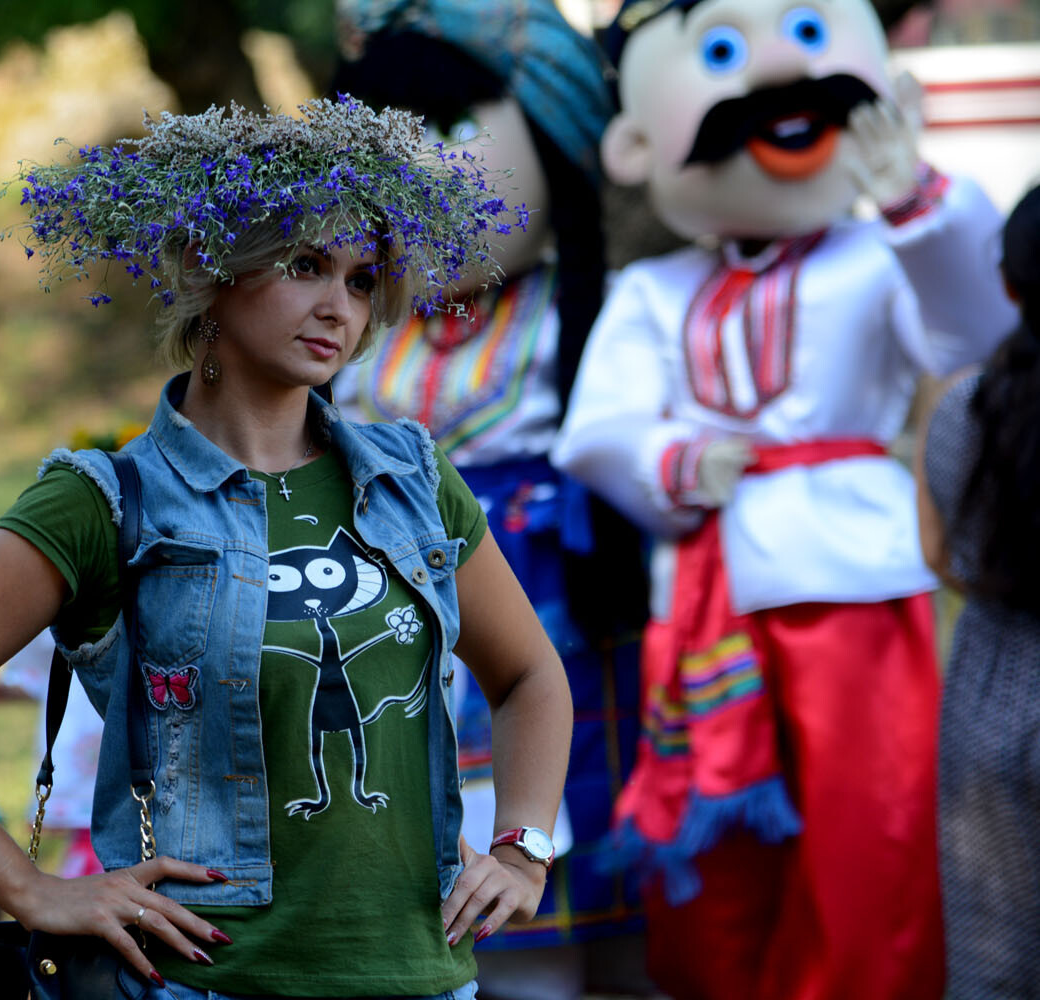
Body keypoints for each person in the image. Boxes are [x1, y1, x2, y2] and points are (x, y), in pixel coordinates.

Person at [0, 96, 574, 998]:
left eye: (363, 279)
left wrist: (524, 848)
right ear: (208, 264)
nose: (338, 305)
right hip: (208, 984)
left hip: (424, 976)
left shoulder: (412, 477)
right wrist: (32, 890)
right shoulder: (105, 503)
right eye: (305, 265)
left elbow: (531, 677)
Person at [550, 0, 1018, 995]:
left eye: (806, 35)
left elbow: (976, 336)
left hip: (854, 579)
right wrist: (678, 459)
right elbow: (598, 430)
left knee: (871, 826)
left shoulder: (877, 258)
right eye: (721, 52)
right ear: (634, 146)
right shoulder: (653, 289)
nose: (771, 78)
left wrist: (915, 205)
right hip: (708, 589)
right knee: (719, 845)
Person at [330, 4, 652, 997]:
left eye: (453, 129)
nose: (420, 165)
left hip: (559, 603)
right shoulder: (358, 328)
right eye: (392, 133)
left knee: (576, 823)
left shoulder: (585, 311)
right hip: (394, 616)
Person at [918, 183, 1040, 999]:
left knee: (997, 965)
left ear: (1009, 285)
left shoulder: (961, 408)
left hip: (992, 696)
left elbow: (943, 559)